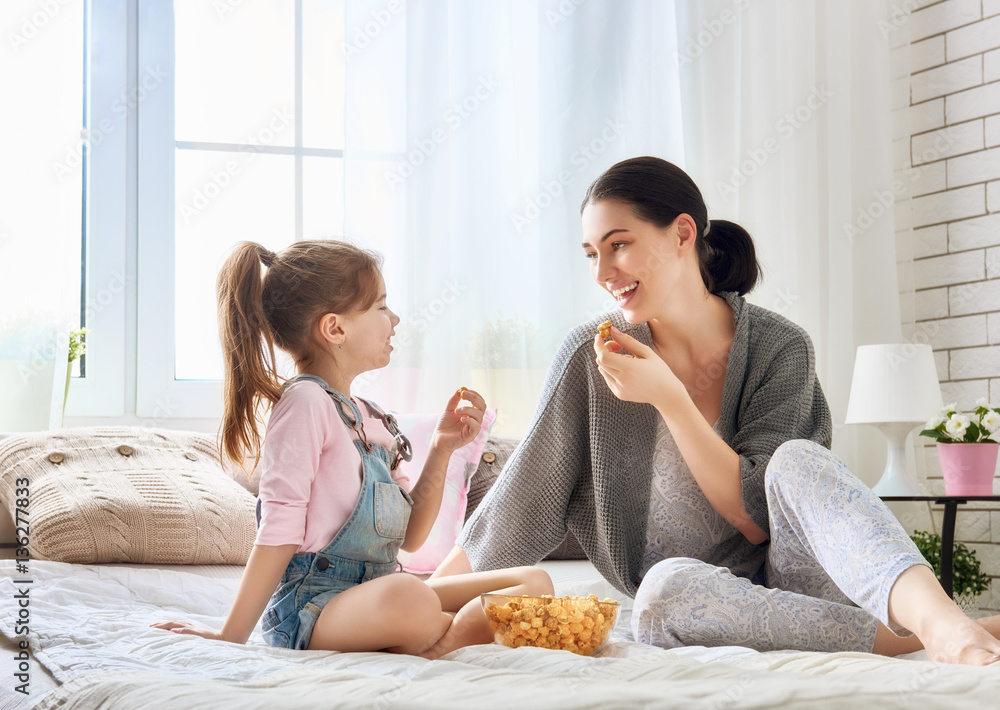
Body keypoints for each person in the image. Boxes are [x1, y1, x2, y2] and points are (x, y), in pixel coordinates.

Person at [435, 156, 1000, 665]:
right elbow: (524, 498)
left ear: (683, 232)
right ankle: (935, 638)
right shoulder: (591, 357)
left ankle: (942, 624)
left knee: (797, 459)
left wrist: (670, 399)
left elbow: (757, 517)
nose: (603, 271)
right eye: (591, 253)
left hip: (800, 578)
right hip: (698, 601)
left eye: (619, 244)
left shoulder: (779, 347)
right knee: (661, 592)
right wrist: (422, 599)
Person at [151, 240, 552, 658]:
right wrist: (229, 636)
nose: (394, 319)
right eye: (381, 307)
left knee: (533, 583)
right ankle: (447, 638)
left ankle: (443, 629)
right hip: (312, 610)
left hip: (376, 596)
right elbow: (277, 533)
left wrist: (441, 449)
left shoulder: (375, 418)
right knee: (411, 596)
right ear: (335, 329)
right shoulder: (305, 404)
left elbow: (411, 540)